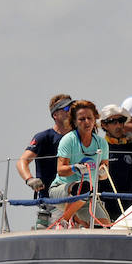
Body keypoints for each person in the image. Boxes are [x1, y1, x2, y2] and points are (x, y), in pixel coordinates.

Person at [48, 100, 110, 227]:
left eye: (89, 118)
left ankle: (78, 219)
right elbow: (61, 170)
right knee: (83, 187)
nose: (86, 122)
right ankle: (64, 221)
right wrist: (75, 168)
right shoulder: (68, 140)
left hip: (87, 196)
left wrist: (103, 172)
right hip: (62, 189)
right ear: (75, 122)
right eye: (82, 119)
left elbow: (104, 170)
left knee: (103, 227)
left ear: (95, 120)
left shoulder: (102, 143)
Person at [16, 94, 73, 228]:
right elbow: (22, 161)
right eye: (66, 109)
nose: (70, 111)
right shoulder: (44, 137)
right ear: (55, 115)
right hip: (51, 202)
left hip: (77, 200)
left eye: (72, 108)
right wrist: (30, 179)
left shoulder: (80, 137)